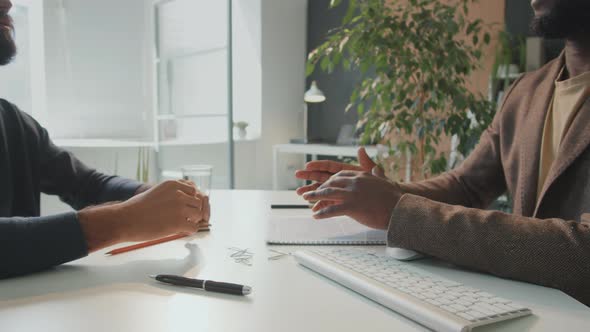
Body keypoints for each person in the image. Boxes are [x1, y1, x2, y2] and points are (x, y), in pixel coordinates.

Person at [296, 0, 590, 306]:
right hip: (530, 309)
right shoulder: (528, 90)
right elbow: (467, 186)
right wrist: (385, 193)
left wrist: (400, 210)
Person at [0, 0, 210, 278]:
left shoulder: (13, 121)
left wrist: (154, 196)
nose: (8, 3)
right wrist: (123, 220)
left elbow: (86, 184)